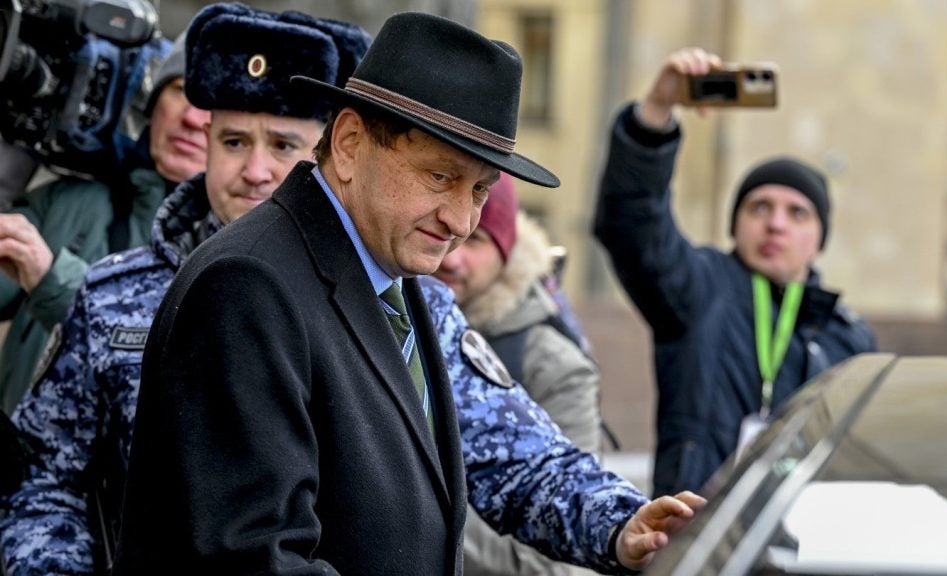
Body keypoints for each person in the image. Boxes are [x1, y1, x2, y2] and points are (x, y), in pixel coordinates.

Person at [114, 11, 704, 575]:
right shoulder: (248, 287)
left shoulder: (399, 280)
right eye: (440, 176)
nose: (460, 220)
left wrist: (623, 525)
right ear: (349, 143)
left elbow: (512, 451)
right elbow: (253, 557)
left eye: (479, 190)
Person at [0, 6, 371, 575]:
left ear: (333, 153)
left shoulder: (393, 307)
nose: (255, 170)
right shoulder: (110, 293)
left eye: (282, 145)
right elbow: (45, 476)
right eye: (233, 141)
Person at [593, 48, 877, 497]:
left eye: (797, 213)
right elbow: (633, 225)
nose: (776, 224)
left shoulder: (849, 338)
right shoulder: (700, 287)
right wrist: (656, 112)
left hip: (800, 528)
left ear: (819, 240)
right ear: (735, 225)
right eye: (759, 207)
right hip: (697, 526)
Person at [0, 33, 209, 414]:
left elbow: (174, 370)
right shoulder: (68, 200)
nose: (192, 118)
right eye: (181, 90)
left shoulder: (236, 249)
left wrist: (52, 280)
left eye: (213, 103)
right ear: (152, 103)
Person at [435, 173, 602, 576]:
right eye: (446, 235)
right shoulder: (387, 316)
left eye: (475, 239)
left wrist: (418, 515)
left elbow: (560, 558)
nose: (452, 258)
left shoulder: (553, 366)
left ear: (508, 251)